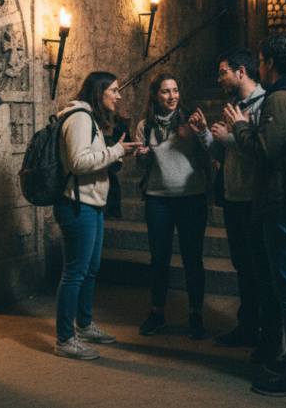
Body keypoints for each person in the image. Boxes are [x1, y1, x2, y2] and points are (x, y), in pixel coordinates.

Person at [225, 33, 286, 398]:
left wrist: (240, 126)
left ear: (271, 62)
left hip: (285, 205)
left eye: (262, 60)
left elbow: (265, 150)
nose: (259, 65)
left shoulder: (281, 99)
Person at [188, 49, 283, 363]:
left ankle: (268, 337)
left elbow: (261, 151)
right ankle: (247, 327)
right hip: (233, 198)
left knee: (262, 272)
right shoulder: (236, 107)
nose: (219, 79)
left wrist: (230, 137)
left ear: (241, 71)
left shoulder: (266, 104)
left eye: (223, 72)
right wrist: (204, 134)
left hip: (255, 201)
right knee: (244, 268)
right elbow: (224, 155)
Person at [53, 71, 143, 360]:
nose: (118, 95)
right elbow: (79, 162)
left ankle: (85, 325)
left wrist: (118, 152)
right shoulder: (80, 116)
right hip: (77, 206)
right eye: (114, 90)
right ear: (99, 90)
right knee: (74, 273)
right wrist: (115, 150)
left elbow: (93, 157)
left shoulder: (89, 116)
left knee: (89, 271)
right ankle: (65, 339)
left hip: (92, 203)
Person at [134, 73, 211, 339]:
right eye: (166, 91)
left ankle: (196, 314)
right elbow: (143, 165)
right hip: (158, 199)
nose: (172, 96)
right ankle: (157, 313)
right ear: (155, 95)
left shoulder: (192, 119)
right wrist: (142, 157)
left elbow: (209, 154)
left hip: (191, 198)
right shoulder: (145, 126)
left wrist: (198, 135)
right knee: (159, 259)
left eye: (176, 90)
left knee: (192, 258)